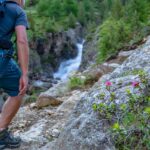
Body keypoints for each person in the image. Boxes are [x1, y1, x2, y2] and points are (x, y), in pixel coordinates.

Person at [0, 0, 29, 149]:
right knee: (18, 89)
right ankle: (1, 133)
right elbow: (22, 41)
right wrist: (24, 74)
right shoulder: (17, 12)